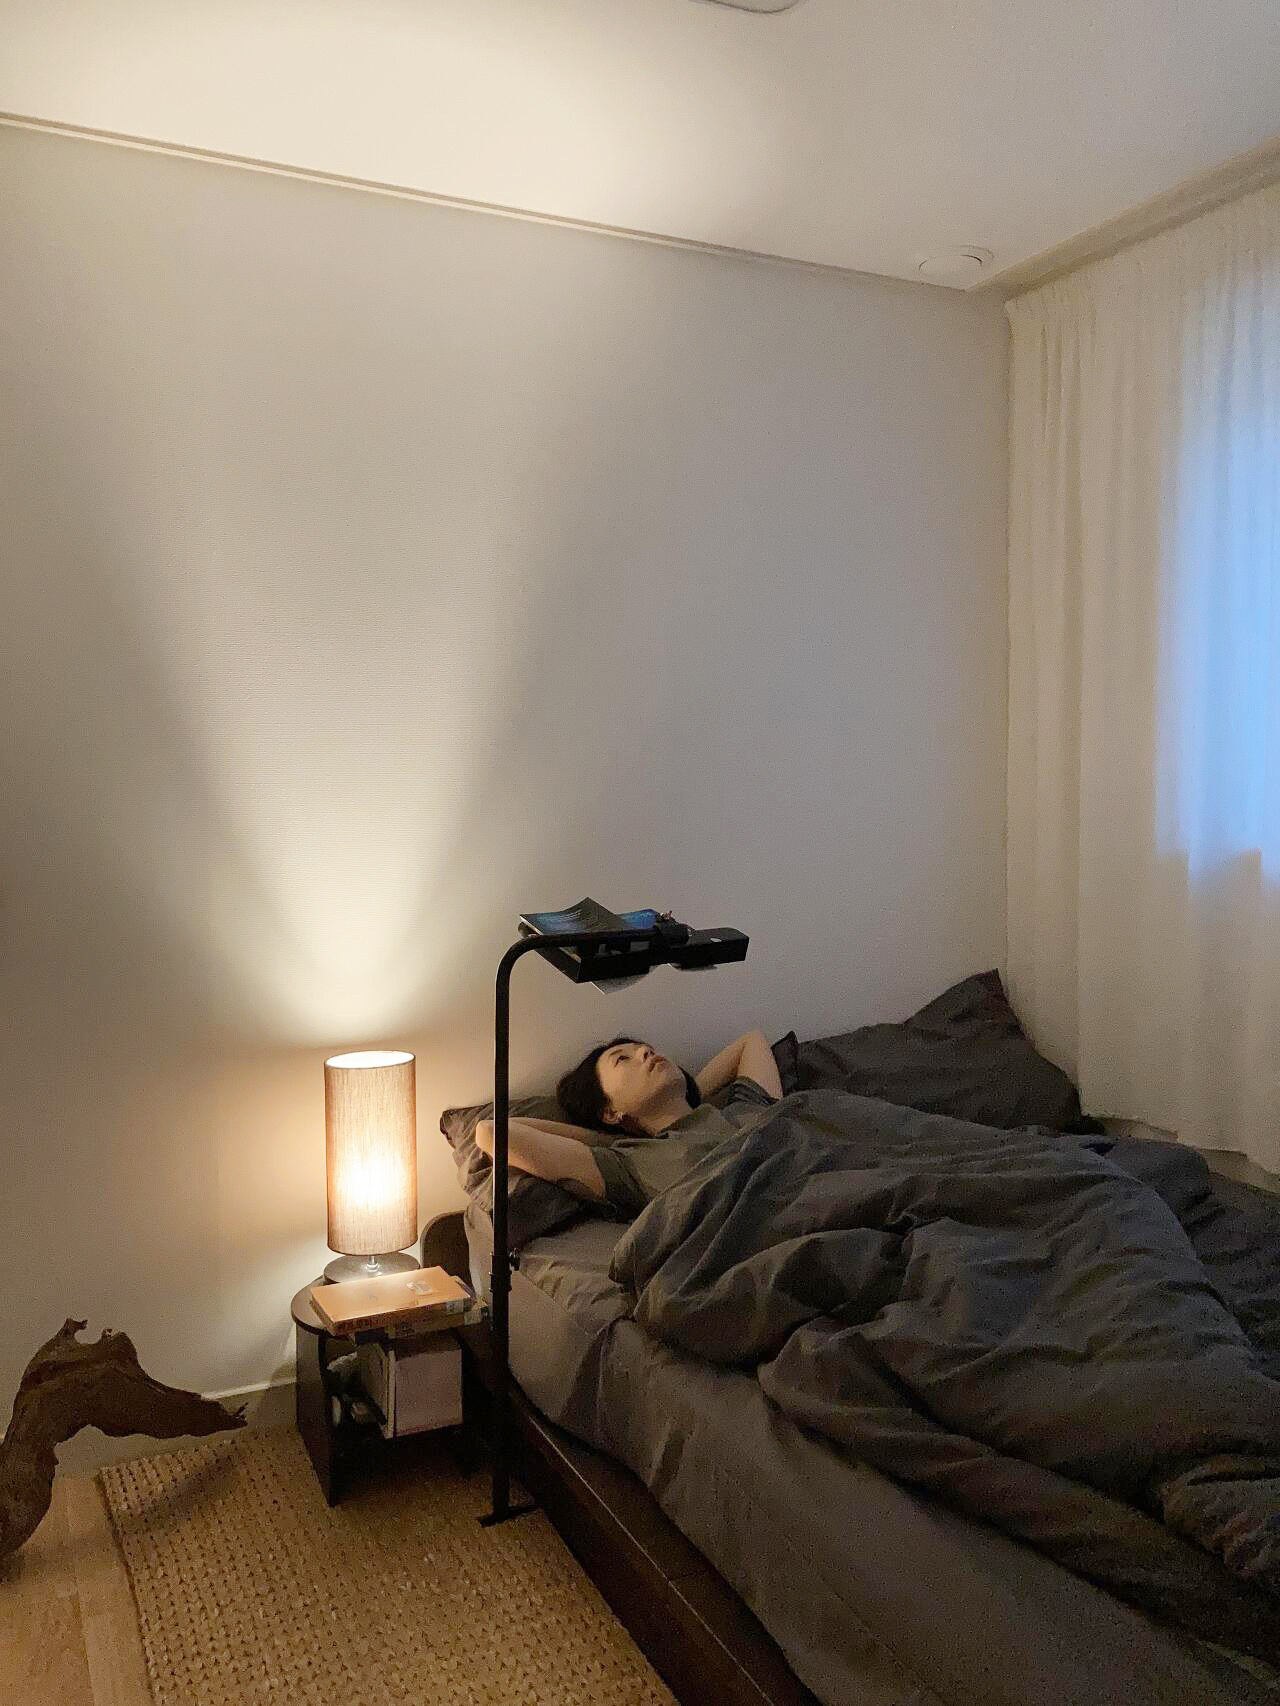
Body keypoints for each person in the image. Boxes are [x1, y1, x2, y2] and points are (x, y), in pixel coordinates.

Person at [474, 1030, 784, 1214]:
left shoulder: (745, 1108)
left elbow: (751, 1041)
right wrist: (607, 1138)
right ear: (610, 1112)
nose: (645, 1051)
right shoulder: (630, 1164)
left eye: (645, 1049)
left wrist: (688, 1097)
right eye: (623, 1059)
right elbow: (491, 1132)